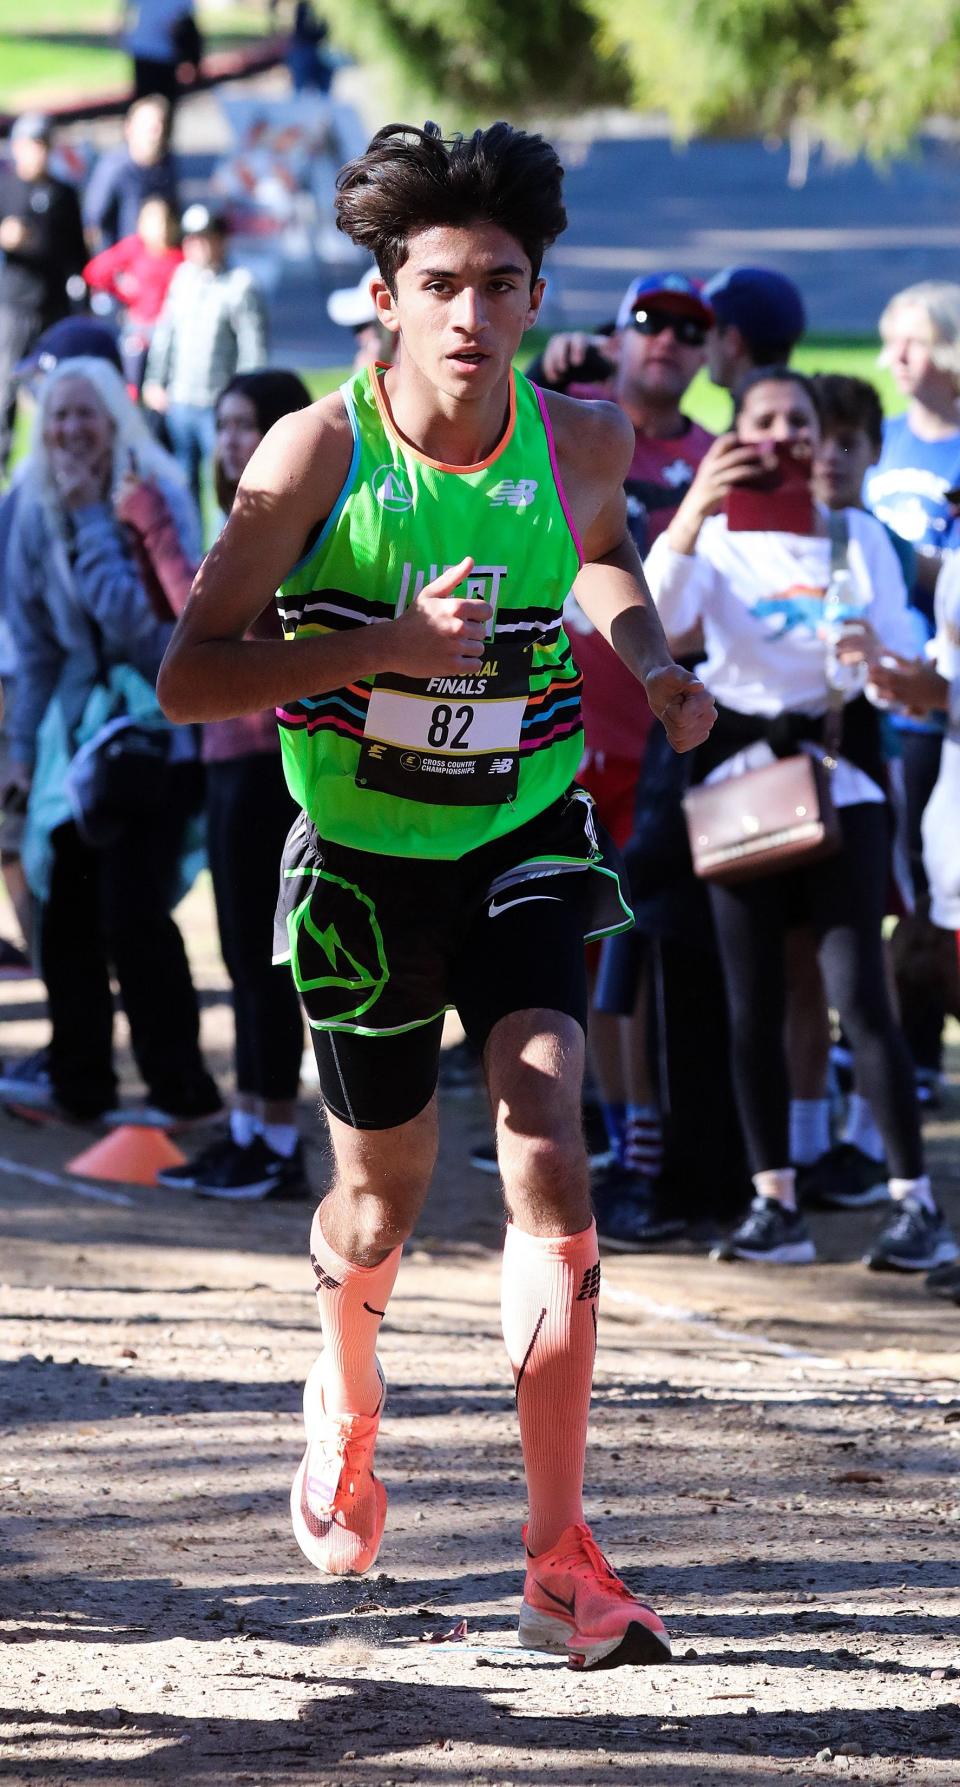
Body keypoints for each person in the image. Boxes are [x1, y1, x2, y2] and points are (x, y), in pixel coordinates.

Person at [157, 119, 715, 1668]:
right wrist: (382, 648)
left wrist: (654, 663)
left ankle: (559, 1559)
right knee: (383, 1196)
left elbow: (600, 558)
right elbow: (191, 671)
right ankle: (345, 1372)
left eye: (505, 284)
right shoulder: (316, 455)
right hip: (358, 864)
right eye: (445, 284)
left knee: (550, 1146)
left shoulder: (583, 439)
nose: (475, 315)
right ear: (388, 299)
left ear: (538, 297)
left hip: (524, 834)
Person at [644, 366, 958, 1274]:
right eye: (764, 421)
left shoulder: (854, 530)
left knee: (859, 991)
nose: (782, 437)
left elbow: (898, 661)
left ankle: (914, 1202)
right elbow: (658, 627)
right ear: (734, 432)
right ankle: (774, 1200)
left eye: (798, 423)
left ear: (822, 440)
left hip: (840, 782)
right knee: (753, 1004)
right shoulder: (714, 538)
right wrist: (695, 511)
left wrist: (880, 662)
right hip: (742, 788)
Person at [527, 274, 716, 1243]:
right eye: (651, 322)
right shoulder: (573, 433)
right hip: (566, 730)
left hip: (666, 744)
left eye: (692, 330)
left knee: (640, 947)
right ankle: (590, 1130)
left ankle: (639, 1146)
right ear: (615, 331)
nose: (669, 342)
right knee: (580, 942)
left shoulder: (711, 457)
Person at [0, 356, 220, 1126]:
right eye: (57, 415)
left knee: (133, 911)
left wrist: (95, 518)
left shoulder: (146, 491)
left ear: (115, 419)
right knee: (62, 912)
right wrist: (21, 752)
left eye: (85, 414)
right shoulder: (28, 504)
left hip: (153, 733)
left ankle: (180, 1088)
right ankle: (79, 1081)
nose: (69, 430)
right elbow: (34, 649)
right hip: (75, 741)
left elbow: (145, 633)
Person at [118, 369, 310, 1198]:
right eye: (225, 425)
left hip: (273, 762)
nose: (230, 441)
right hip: (230, 763)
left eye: (248, 425)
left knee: (268, 959)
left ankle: (276, 1138)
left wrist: (154, 525)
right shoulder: (247, 518)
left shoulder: (287, 521)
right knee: (238, 951)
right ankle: (247, 1127)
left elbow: (203, 620)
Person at [143, 204, 268, 504]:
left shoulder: (240, 284)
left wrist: (245, 398)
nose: (196, 245)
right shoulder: (182, 278)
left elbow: (253, 349)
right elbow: (165, 335)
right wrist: (154, 380)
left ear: (221, 240)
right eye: (191, 239)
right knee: (182, 484)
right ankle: (190, 549)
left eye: (204, 238)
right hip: (180, 399)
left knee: (227, 485)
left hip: (219, 405)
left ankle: (223, 548)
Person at [0, 113, 87, 470]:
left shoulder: (62, 193)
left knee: (54, 388)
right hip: (13, 304)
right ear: (17, 148)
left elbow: (78, 256)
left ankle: (54, 459)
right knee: (5, 388)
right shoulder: (5, 187)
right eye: (31, 145)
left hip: (53, 306)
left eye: (43, 145)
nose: (37, 153)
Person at [83, 196, 183, 392]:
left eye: (164, 222)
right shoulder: (134, 248)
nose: (160, 229)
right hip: (137, 329)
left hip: (168, 331)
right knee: (131, 386)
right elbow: (95, 272)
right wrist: (123, 290)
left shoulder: (178, 256)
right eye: (153, 222)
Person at [82, 96, 178, 253]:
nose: (156, 134)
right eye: (150, 128)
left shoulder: (166, 167)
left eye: (161, 126)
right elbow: (94, 225)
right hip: (122, 266)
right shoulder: (114, 169)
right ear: (129, 129)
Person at [702, 265, 806, 393]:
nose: (703, 344)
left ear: (733, 341)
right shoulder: (806, 406)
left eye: (706, 329)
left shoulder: (752, 411)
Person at [121, 0, 202, 108]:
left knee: (159, 103)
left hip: (163, 54)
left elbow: (187, 29)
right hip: (148, 53)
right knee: (148, 104)